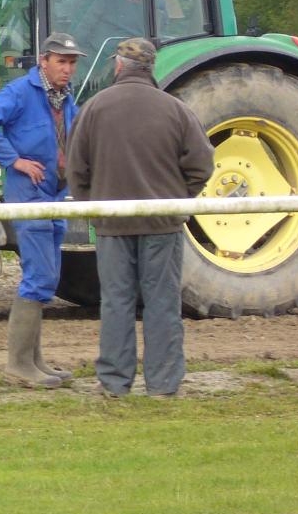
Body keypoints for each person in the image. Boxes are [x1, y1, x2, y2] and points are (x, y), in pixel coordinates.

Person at [66, 38, 215, 398]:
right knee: (162, 302)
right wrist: (179, 201)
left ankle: (115, 384)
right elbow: (202, 165)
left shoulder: (94, 108)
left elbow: (75, 168)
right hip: (162, 224)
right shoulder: (175, 109)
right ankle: (163, 385)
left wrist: (94, 206)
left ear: (118, 66)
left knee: (116, 303)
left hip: (111, 224)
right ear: (151, 68)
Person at [0, 31, 83, 388]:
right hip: (29, 191)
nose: (67, 69)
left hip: (55, 192)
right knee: (39, 277)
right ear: (43, 61)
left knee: (46, 278)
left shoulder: (65, 99)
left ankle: (35, 361)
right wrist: (14, 160)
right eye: (61, 62)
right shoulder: (20, 93)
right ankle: (19, 365)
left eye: (72, 63)